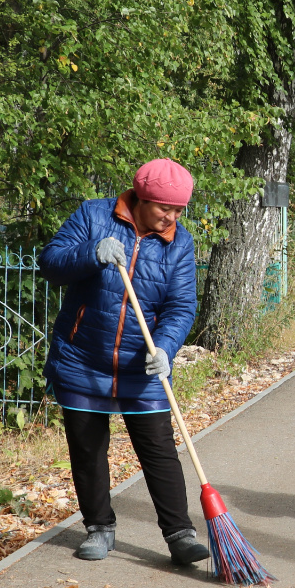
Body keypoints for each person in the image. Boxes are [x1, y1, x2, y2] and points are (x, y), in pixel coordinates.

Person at [39, 158, 211, 566]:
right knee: (87, 448)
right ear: (140, 198)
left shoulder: (179, 243)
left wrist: (166, 348)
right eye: (163, 208)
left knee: (158, 448)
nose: (170, 217)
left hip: (142, 363)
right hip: (83, 356)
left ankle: (180, 533)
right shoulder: (93, 215)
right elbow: (51, 263)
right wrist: (91, 253)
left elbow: (182, 305)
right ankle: (99, 528)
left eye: (178, 210)